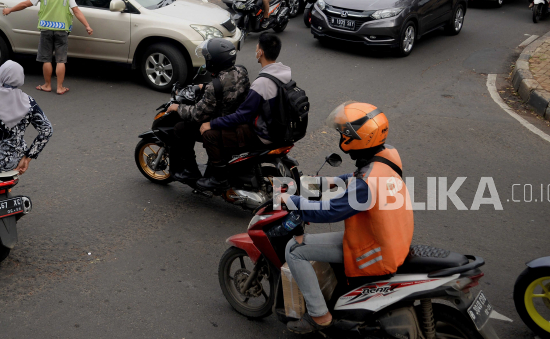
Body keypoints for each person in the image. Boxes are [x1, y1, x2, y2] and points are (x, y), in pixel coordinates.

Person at [276, 102, 414, 334]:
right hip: (393, 238)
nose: (340, 137)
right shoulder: (386, 156)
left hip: (375, 251)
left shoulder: (365, 184)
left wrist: (293, 201)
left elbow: (329, 211)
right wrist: (308, 184)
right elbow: (351, 178)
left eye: (343, 133)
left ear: (356, 139)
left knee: (294, 249)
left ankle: (319, 315)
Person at [198, 33, 289, 190]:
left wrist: (211, 124)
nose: (256, 50)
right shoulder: (282, 72)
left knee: (209, 134)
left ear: (260, 52)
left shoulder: (262, 83)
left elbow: (242, 115)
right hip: (278, 128)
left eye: (257, 47)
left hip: (263, 134)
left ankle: (219, 178)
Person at [165, 39, 250, 181]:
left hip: (223, 124)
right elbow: (228, 87)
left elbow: (197, 114)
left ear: (215, 61)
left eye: (207, 58)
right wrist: (202, 87)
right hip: (237, 117)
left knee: (181, 129)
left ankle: (190, 170)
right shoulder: (241, 71)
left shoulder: (214, 87)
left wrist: (178, 107)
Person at [2, 0, 93, 95]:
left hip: (46, 30)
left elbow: (25, 4)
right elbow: (76, 11)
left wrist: (9, 10)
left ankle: (47, 85)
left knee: (47, 59)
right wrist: (87, 26)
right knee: (61, 60)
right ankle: (60, 87)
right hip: (62, 30)